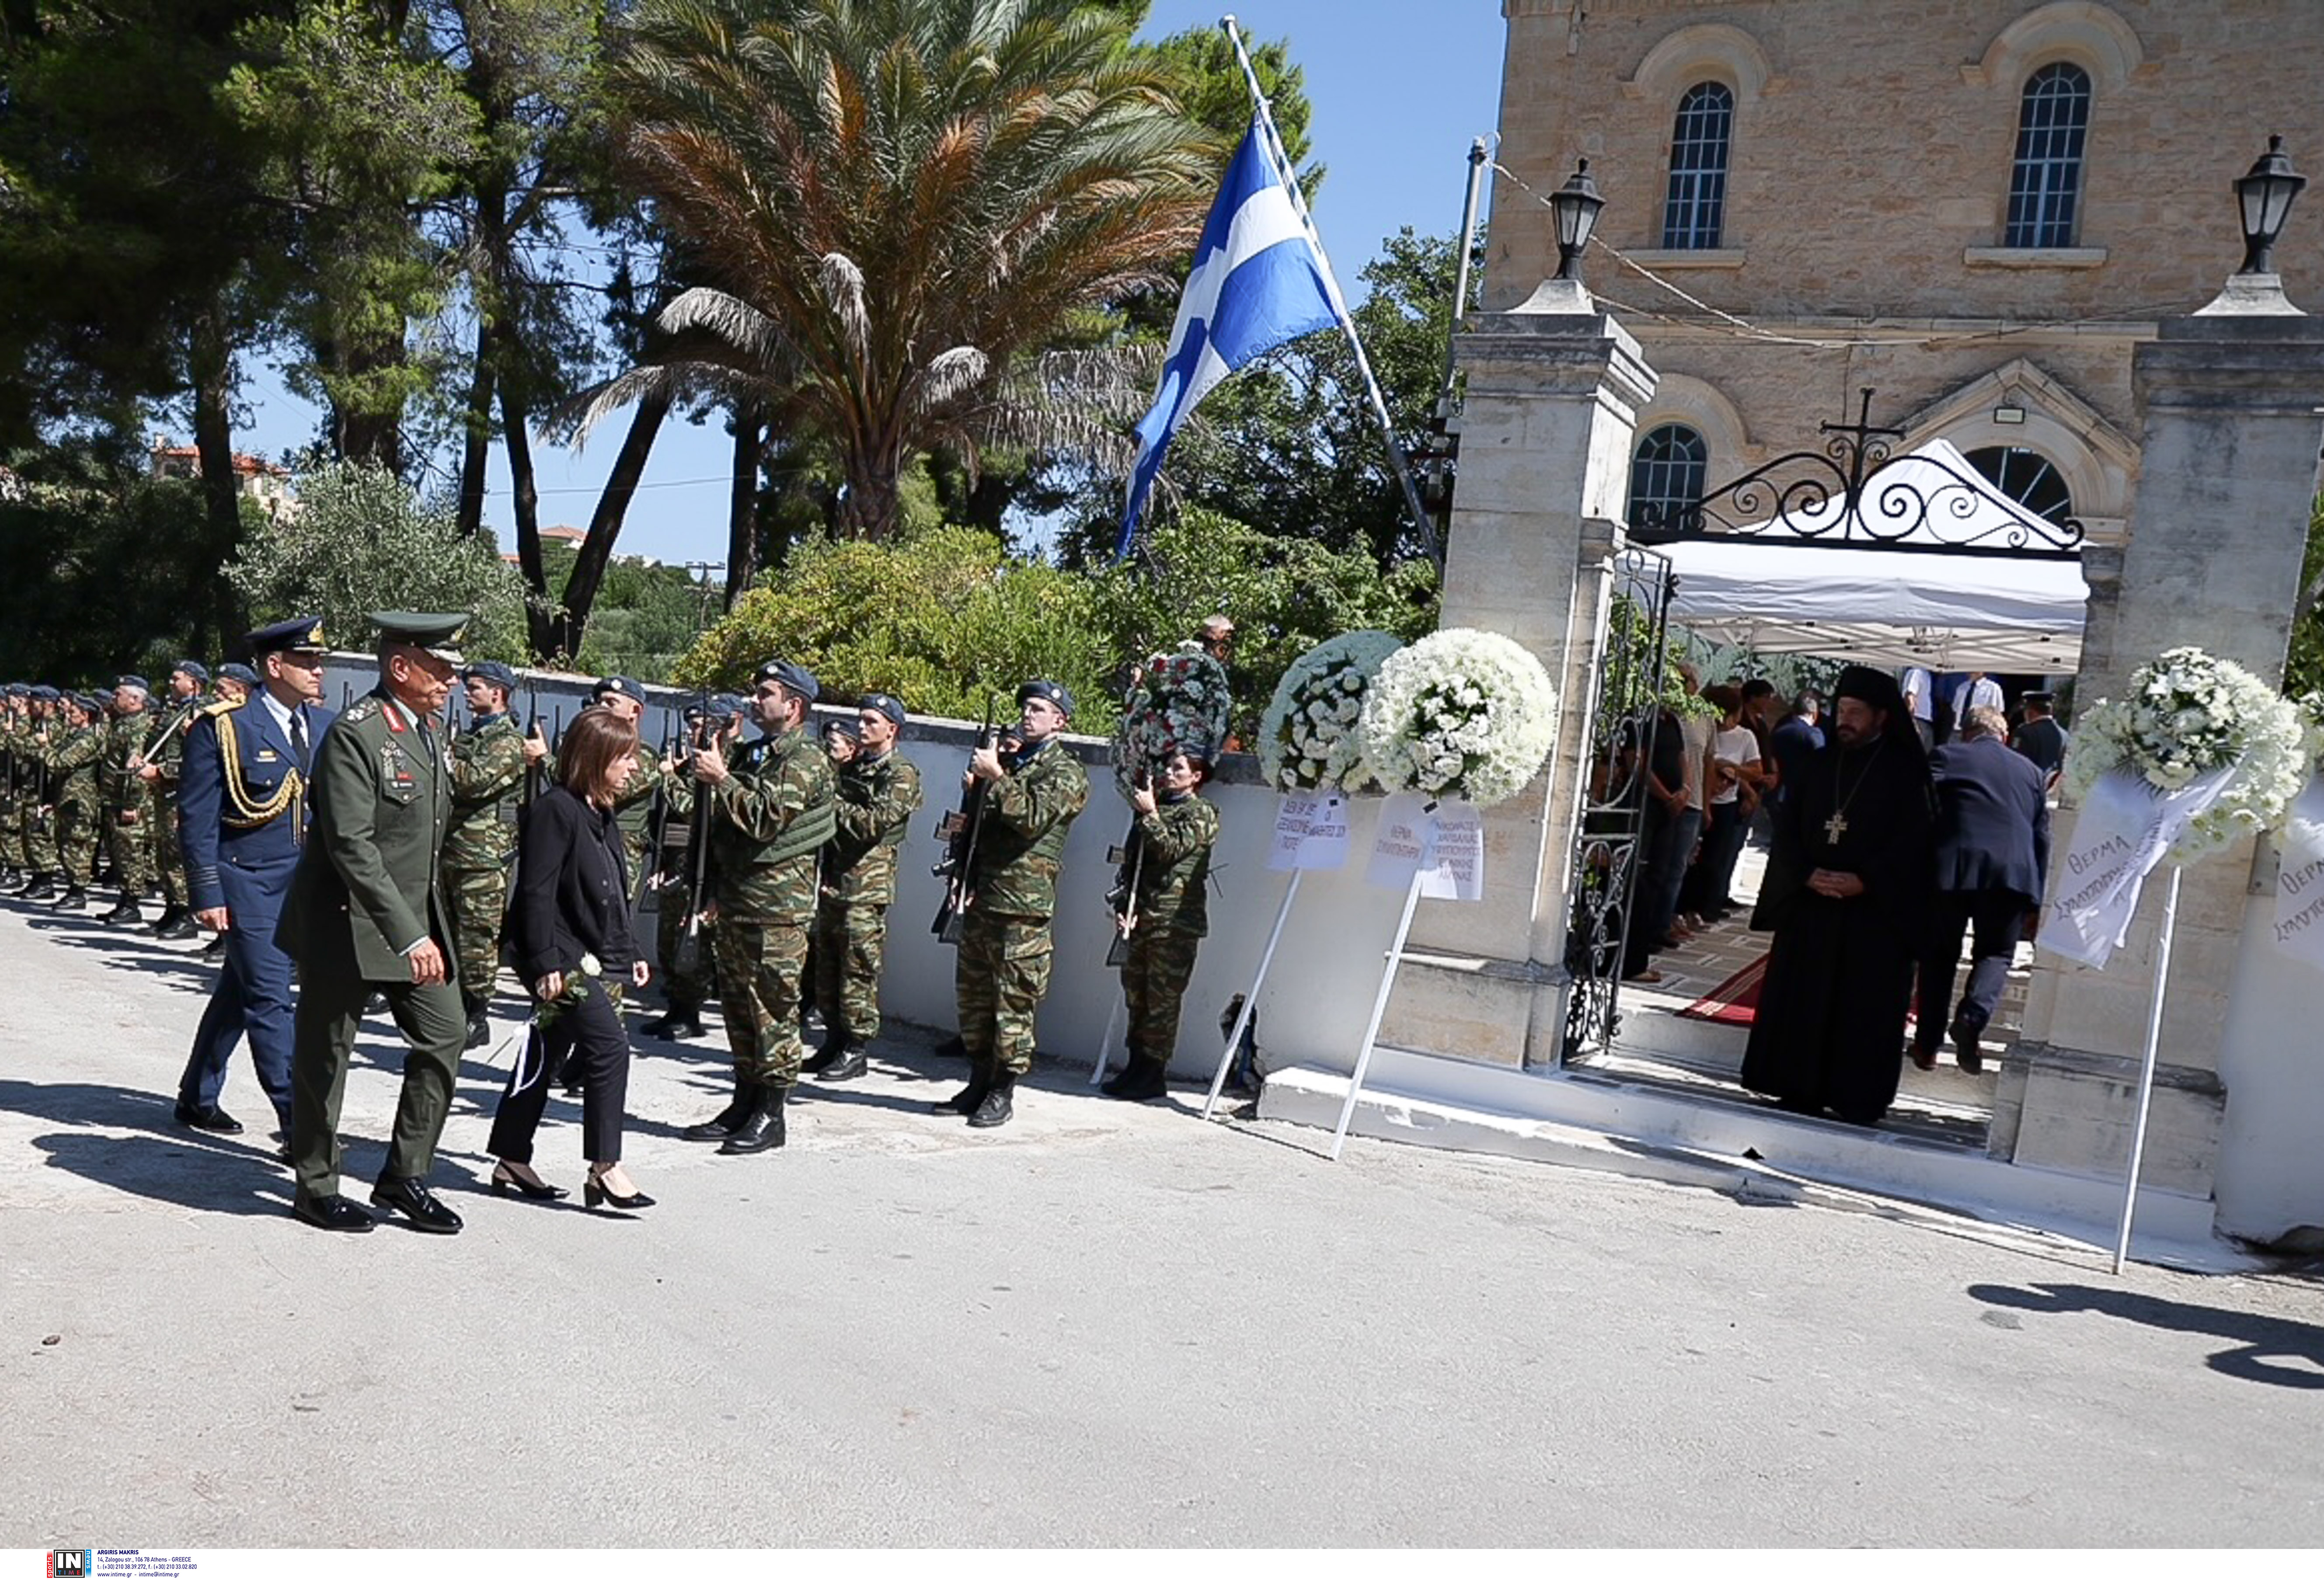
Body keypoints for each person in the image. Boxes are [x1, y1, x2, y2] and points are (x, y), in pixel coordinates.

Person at [279, 611, 474, 1235]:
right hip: (347, 922)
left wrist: (426, 927)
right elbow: (353, 847)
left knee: (446, 1030)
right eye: (441, 668)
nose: (449, 680)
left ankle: (404, 1174)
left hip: (412, 919)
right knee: (325, 1056)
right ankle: (315, 1185)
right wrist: (409, 933)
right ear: (401, 666)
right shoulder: (355, 735)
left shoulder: (426, 729)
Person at [1739, 665, 1934, 1125]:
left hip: (1872, 916)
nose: (1843, 720)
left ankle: (1855, 1096)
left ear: (1880, 717)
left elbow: (1918, 843)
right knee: (1804, 997)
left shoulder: (1907, 774)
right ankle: (1795, 1086)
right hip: (1812, 906)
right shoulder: (1818, 764)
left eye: (1855, 712)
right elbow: (1786, 829)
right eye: (1840, 710)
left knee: (1861, 1006)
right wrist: (1804, 873)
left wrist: (1866, 879)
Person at [485, 708, 656, 1210]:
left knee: (547, 1048)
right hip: (558, 955)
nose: (632, 768)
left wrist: (632, 952)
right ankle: (605, 1165)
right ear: (595, 757)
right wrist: (545, 966)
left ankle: (511, 1156)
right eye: (622, 758)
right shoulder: (555, 810)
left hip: (583, 953)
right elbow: (535, 894)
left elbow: (608, 894)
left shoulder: (598, 810)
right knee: (609, 1048)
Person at [176, 618, 336, 1142]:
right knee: (270, 998)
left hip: (302, 884)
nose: (318, 670)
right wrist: (206, 891)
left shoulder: (323, 724)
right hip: (246, 880)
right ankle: (300, 1122)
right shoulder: (224, 726)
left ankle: (197, 1096)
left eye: (318, 661)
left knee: (238, 991)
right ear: (275, 666)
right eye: (307, 661)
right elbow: (198, 817)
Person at [683, 659, 835, 1155]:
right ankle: (743, 1100)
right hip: (738, 901)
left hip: (777, 910)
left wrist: (723, 778)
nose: (754, 700)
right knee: (738, 1009)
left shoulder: (806, 759)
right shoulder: (754, 753)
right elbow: (715, 821)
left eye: (765, 693)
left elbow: (766, 817)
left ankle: (771, 1113)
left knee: (771, 1009)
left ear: (793, 706)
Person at [938, 678, 1089, 1128]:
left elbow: (1030, 819)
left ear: (1059, 721)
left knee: (1012, 1001)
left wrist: (996, 777)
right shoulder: (1013, 761)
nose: (1027, 715)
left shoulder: (1064, 772)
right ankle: (978, 1079)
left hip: (1022, 905)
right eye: (1025, 707)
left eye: (1038, 709)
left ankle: (1002, 1090)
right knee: (974, 999)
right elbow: (978, 826)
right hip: (982, 894)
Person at [1912, 704, 2049, 1075]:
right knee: (1996, 954)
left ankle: (1926, 1046)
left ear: (1966, 732)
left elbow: (1918, 806)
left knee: (1939, 956)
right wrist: (2036, 899)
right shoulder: (2032, 773)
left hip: (1953, 870)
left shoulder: (1947, 755)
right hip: (2012, 874)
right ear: (2004, 736)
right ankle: (1972, 1018)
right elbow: (2041, 838)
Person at [804, 691, 923, 1083]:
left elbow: (873, 824)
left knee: (857, 969)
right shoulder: (852, 769)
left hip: (865, 888)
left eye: (872, 721)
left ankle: (856, 1048)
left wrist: (829, 800)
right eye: (861, 720)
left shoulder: (901, 774)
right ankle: (833, 1040)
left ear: (893, 729)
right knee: (827, 968)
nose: (862, 727)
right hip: (834, 882)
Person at [1102, 748, 1219, 1102]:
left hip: (1173, 922)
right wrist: (1124, 906)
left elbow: (1170, 850)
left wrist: (1150, 813)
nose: (1169, 773)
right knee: (1136, 994)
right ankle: (1136, 1064)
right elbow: (1132, 863)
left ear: (1196, 776)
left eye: (1178, 768)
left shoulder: (1202, 814)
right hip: (1141, 915)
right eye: (1168, 767)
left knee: (1161, 1000)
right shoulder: (1155, 808)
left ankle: (1153, 1072)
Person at [444, 660, 547, 1050]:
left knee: (478, 939)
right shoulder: (474, 735)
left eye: (475, 688)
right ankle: (456, 1009)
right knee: (454, 935)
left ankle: (477, 1015)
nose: (467, 694)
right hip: (455, 852)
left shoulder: (506, 742)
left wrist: (445, 758)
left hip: (483, 858)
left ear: (498, 694)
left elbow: (470, 783)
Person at [637, 695, 736, 1041]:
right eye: (692, 726)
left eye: (703, 726)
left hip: (708, 869)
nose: (695, 732)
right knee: (669, 941)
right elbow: (670, 822)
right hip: (679, 864)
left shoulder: (728, 765)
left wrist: (669, 779)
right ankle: (676, 1008)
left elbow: (697, 810)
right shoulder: (690, 764)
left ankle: (690, 1012)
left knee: (693, 944)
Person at [137, 659, 208, 939]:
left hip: (182, 792)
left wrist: (161, 771)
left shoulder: (201, 713)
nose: (170, 682)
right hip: (163, 793)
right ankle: (172, 907)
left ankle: (186, 913)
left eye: (176, 678)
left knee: (179, 855)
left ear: (194, 683)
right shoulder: (173, 712)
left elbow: (197, 762)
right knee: (165, 853)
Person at [1686, 683, 1766, 922]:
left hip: (1726, 804)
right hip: (1699, 798)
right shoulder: (1700, 729)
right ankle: (1685, 908)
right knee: (1692, 859)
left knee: (1717, 859)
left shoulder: (1744, 736)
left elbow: (1755, 771)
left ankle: (1706, 906)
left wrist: (1732, 770)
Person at [589, 675, 662, 905]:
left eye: (611, 703)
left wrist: (545, 760)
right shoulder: (593, 753)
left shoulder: (644, 757)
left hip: (618, 860)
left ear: (635, 711)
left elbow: (601, 791)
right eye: (599, 702)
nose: (601, 708)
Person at [95, 675, 157, 924]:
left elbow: (136, 768)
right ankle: (124, 899)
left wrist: (132, 804)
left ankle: (132, 904)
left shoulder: (138, 726)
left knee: (130, 852)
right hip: (113, 798)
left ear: (135, 699)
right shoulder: (123, 722)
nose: (113, 697)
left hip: (128, 801)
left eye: (118, 693)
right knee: (118, 852)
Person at [2011, 691, 2069, 787]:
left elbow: (2016, 762)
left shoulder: (2024, 732)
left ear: (2030, 712)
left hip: (2030, 787)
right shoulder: (2064, 735)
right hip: (2054, 788)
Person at [1948, 671, 2005, 738]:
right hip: (1959, 731)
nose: (1971, 672)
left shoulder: (1993, 688)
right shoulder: (1962, 687)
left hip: (1980, 731)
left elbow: (1997, 711)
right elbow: (1955, 708)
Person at [1900, 665, 1935, 751]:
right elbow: (1910, 696)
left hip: (1924, 720)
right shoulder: (1917, 672)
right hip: (1918, 718)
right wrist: (1912, 720)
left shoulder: (1925, 673)